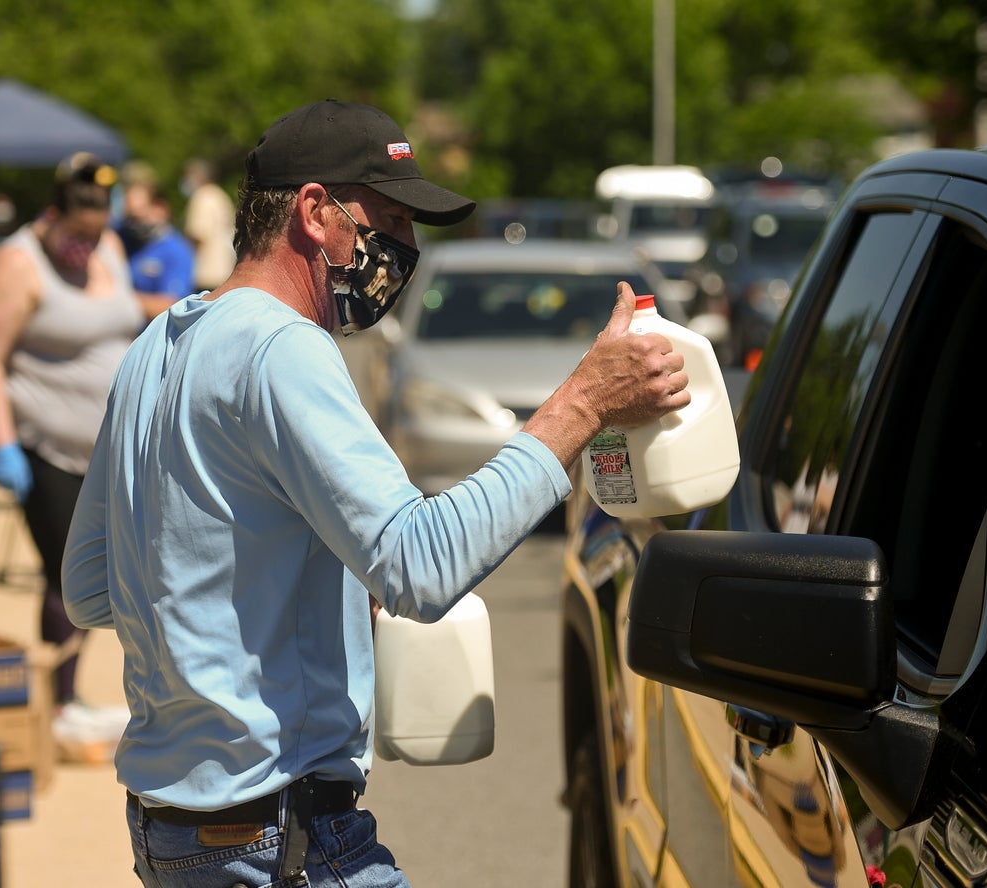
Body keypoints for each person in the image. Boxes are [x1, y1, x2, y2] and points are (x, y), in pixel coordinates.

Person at [62, 99, 690, 888]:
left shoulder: (157, 346)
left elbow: (91, 587)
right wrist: (581, 407)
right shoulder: (283, 347)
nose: (405, 247)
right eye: (389, 218)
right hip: (277, 839)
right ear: (315, 212)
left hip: (175, 836)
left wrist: (274, 595)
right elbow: (420, 567)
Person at [0, 152, 143, 735]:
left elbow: (117, 318)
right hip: (44, 449)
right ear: (57, 210)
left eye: (99, 223)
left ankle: (66, 696)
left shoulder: (110, 250)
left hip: (111, 454)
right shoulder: (19, 263)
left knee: (105, 575)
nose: (89, 238)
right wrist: (2, 445)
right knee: (66, 576)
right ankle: (59, 703)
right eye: (79, 226)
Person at [117, 173, 195, 321]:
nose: (132, 225)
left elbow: (172, 306)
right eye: (128, 217)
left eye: (138, 216)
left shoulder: (176, 250)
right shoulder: (118, 238)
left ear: (160, 209)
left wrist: (118, 300)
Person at [181, 157, 237, 291]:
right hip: (225, 270)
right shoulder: (220, 195)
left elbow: (197, 235)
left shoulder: (202, 196)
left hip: (206, 274)